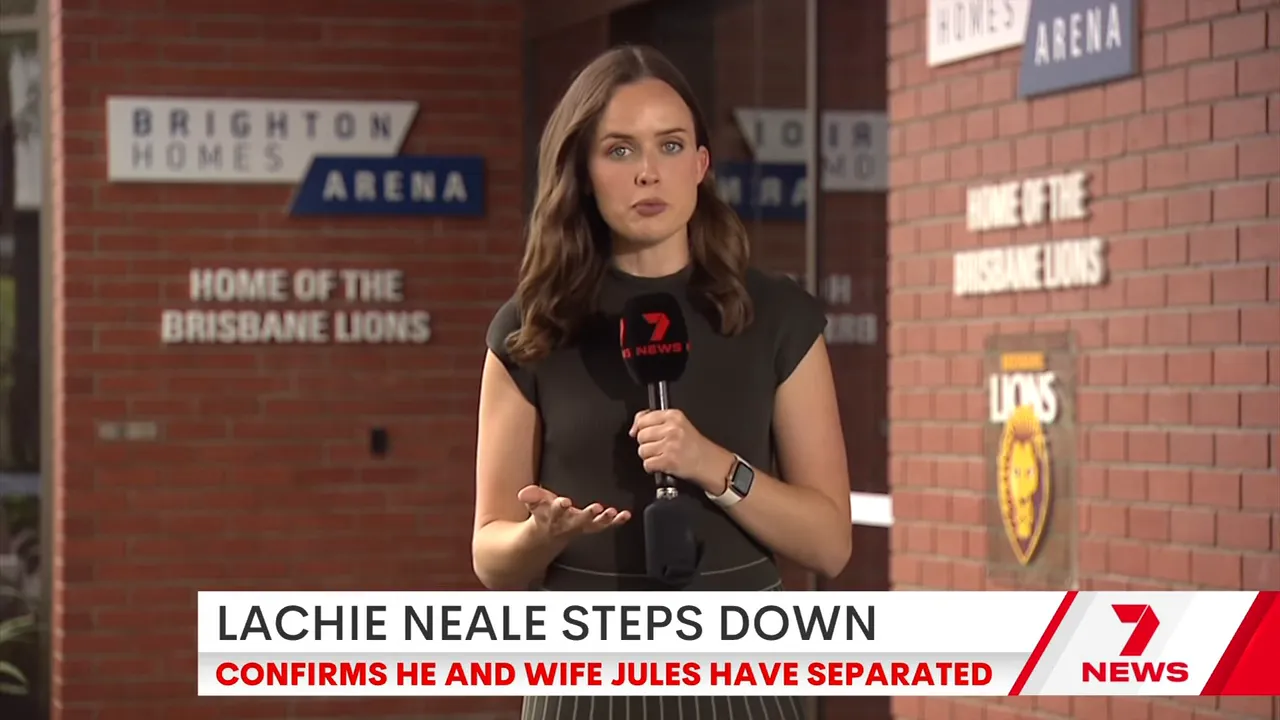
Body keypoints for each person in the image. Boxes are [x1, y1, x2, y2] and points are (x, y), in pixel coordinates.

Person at [472, 44, 852, 720]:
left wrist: (713, 466)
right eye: (619, 151)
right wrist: (542, 535)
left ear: (701, 165)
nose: (648, 172)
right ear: (582, 172)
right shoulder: (531, 329)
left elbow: (829, 543)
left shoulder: (777, 317)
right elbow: (490, 557)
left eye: (670, 146)